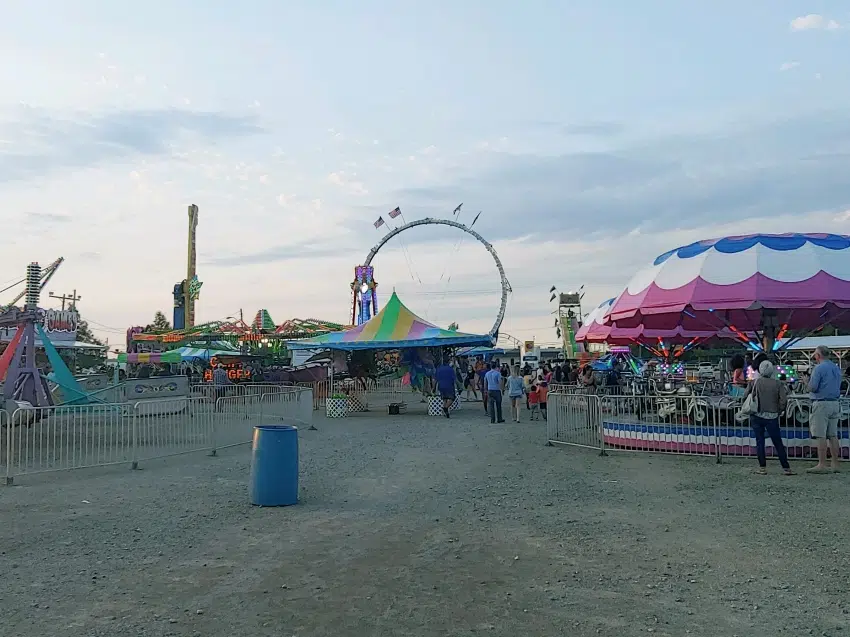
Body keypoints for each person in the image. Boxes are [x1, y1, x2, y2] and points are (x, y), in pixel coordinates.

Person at [743, 360, 793, 475]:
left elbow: (745, 395)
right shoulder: (778, 384)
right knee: (777, 442)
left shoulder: (754, 382)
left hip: (756, 414)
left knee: (760, 441)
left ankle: (762, 468)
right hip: (772, 416)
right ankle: (786, 468)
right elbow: (783, 400)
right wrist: (779, 410)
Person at [807, 345, 842, 474]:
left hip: (821, 403)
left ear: (818, 355)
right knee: (833, 435)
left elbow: (813, 387)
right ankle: (835, 463)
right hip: (835, 403)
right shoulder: (836, 368)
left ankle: (822, 464)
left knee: (820, 435)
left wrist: (806, 382)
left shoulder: (818, 368)